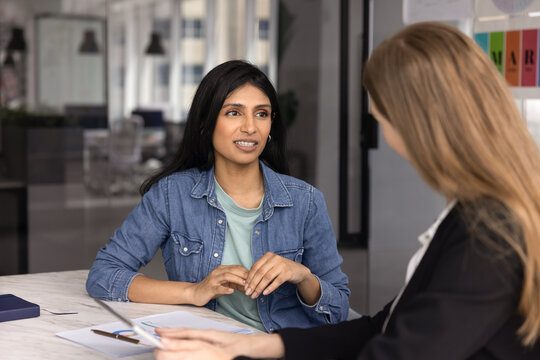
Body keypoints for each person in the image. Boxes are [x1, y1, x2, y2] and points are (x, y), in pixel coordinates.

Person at [152, 22, 540, 360]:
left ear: (418, 125)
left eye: (382, 120)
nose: (387, 137)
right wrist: (251, 346)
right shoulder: (479, 215)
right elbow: (382, 327)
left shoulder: (490, 235)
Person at [86, 60, 350, 333]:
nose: (250, 127)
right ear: (205, 124)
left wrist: (302, 276)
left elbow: (339, 308)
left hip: (279, 348)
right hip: (208, 347)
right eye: (234, 113)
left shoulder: (306, 202)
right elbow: (104, 275)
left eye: (261, 114)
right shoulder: (171, 195)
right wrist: (193, 292)